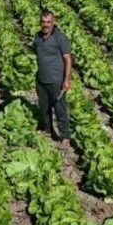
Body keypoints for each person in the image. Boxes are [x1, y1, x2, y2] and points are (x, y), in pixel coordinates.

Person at [32, 10, 72, 148]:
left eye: (48, 22)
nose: (45, 25)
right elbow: (36, 55)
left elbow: (67, 59)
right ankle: (47, 129)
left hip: (56, 80)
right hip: (41, 79)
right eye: (43, 22)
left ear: (53, 23)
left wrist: (66, 79)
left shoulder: (60, 38)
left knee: (60, 109)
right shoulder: (37, 37)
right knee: (44, 108)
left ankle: (65, 137)